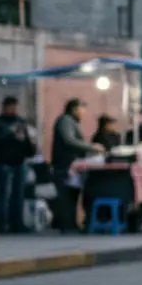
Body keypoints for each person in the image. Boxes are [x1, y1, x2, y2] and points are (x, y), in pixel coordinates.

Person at [0, 95, 35, 233]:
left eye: (15, 107)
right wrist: (10, 135)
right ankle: (2, 225)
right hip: (3, 163)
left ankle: (17, 224)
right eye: (11, 107)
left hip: (19, 162)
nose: (13, 109)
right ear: (4, 107)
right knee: (3, 194)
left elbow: (25, 140)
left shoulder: (20, 122)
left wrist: (29, 148)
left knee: (18, 194)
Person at [50, 98, 94, 232]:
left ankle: (71, 223)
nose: (83, 112)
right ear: (74, 109)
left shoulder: (72, 122)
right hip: (65, 165)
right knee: (66, 196)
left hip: (72, 165)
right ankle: (66, 224)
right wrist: (91, 147)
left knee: (72, 195)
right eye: (81, 109)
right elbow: (69, 140)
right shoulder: (65, 121)